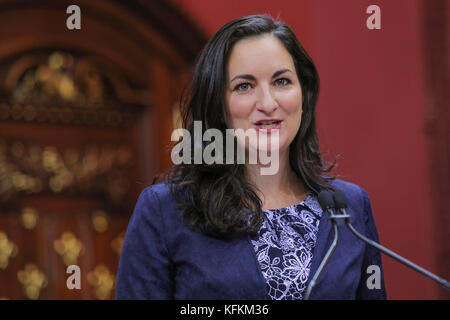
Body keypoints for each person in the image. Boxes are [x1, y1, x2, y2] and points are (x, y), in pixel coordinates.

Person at [115, 14, 386, 300]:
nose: (268, 103)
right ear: (218, 106)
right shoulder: (165, 210)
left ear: (303, 96)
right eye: (244, 86)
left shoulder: (350, 207)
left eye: (282, 81)